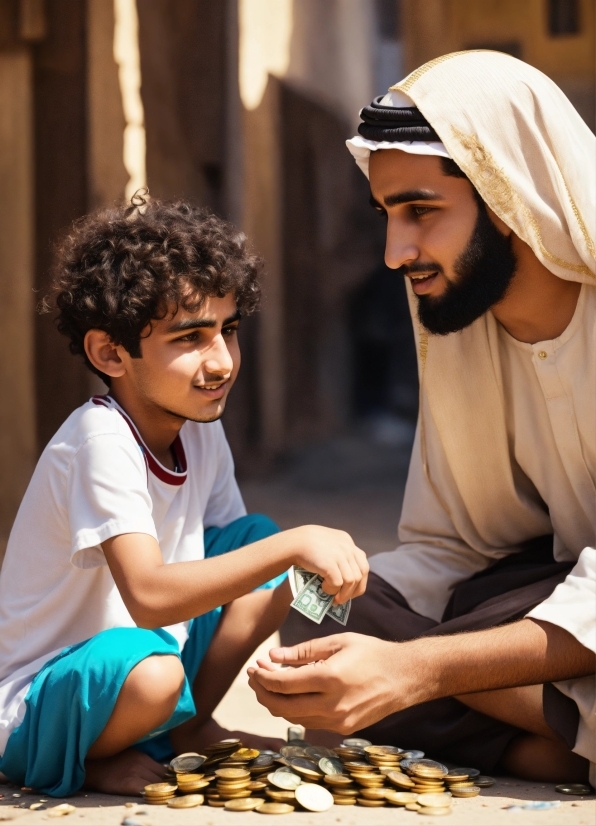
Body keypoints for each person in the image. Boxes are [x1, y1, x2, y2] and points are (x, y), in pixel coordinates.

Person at [248, 51, 596, 786]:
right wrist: (293, 592)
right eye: (384, 216)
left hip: (569, 627)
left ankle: (543, 745)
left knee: (404, 660)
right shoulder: (462, 322)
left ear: (508, 199)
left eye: (420, 212)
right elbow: (458, 549)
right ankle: (557, 739)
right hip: (553, 611)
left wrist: (416, 670)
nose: (394, 253)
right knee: (324, 620)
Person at [0, 197, 369, 797]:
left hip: (148, 655)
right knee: (157, 673)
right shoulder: (98, 440)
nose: (221, 361)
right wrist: (299, 544)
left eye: (228, 330)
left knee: (259, 546)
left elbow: (242, 568)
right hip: (46, 700)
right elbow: (148, 598)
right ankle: (78, 759)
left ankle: (189, 729)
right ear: (110, 353)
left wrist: (294, 568)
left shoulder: (199, 430)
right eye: (191, 337)